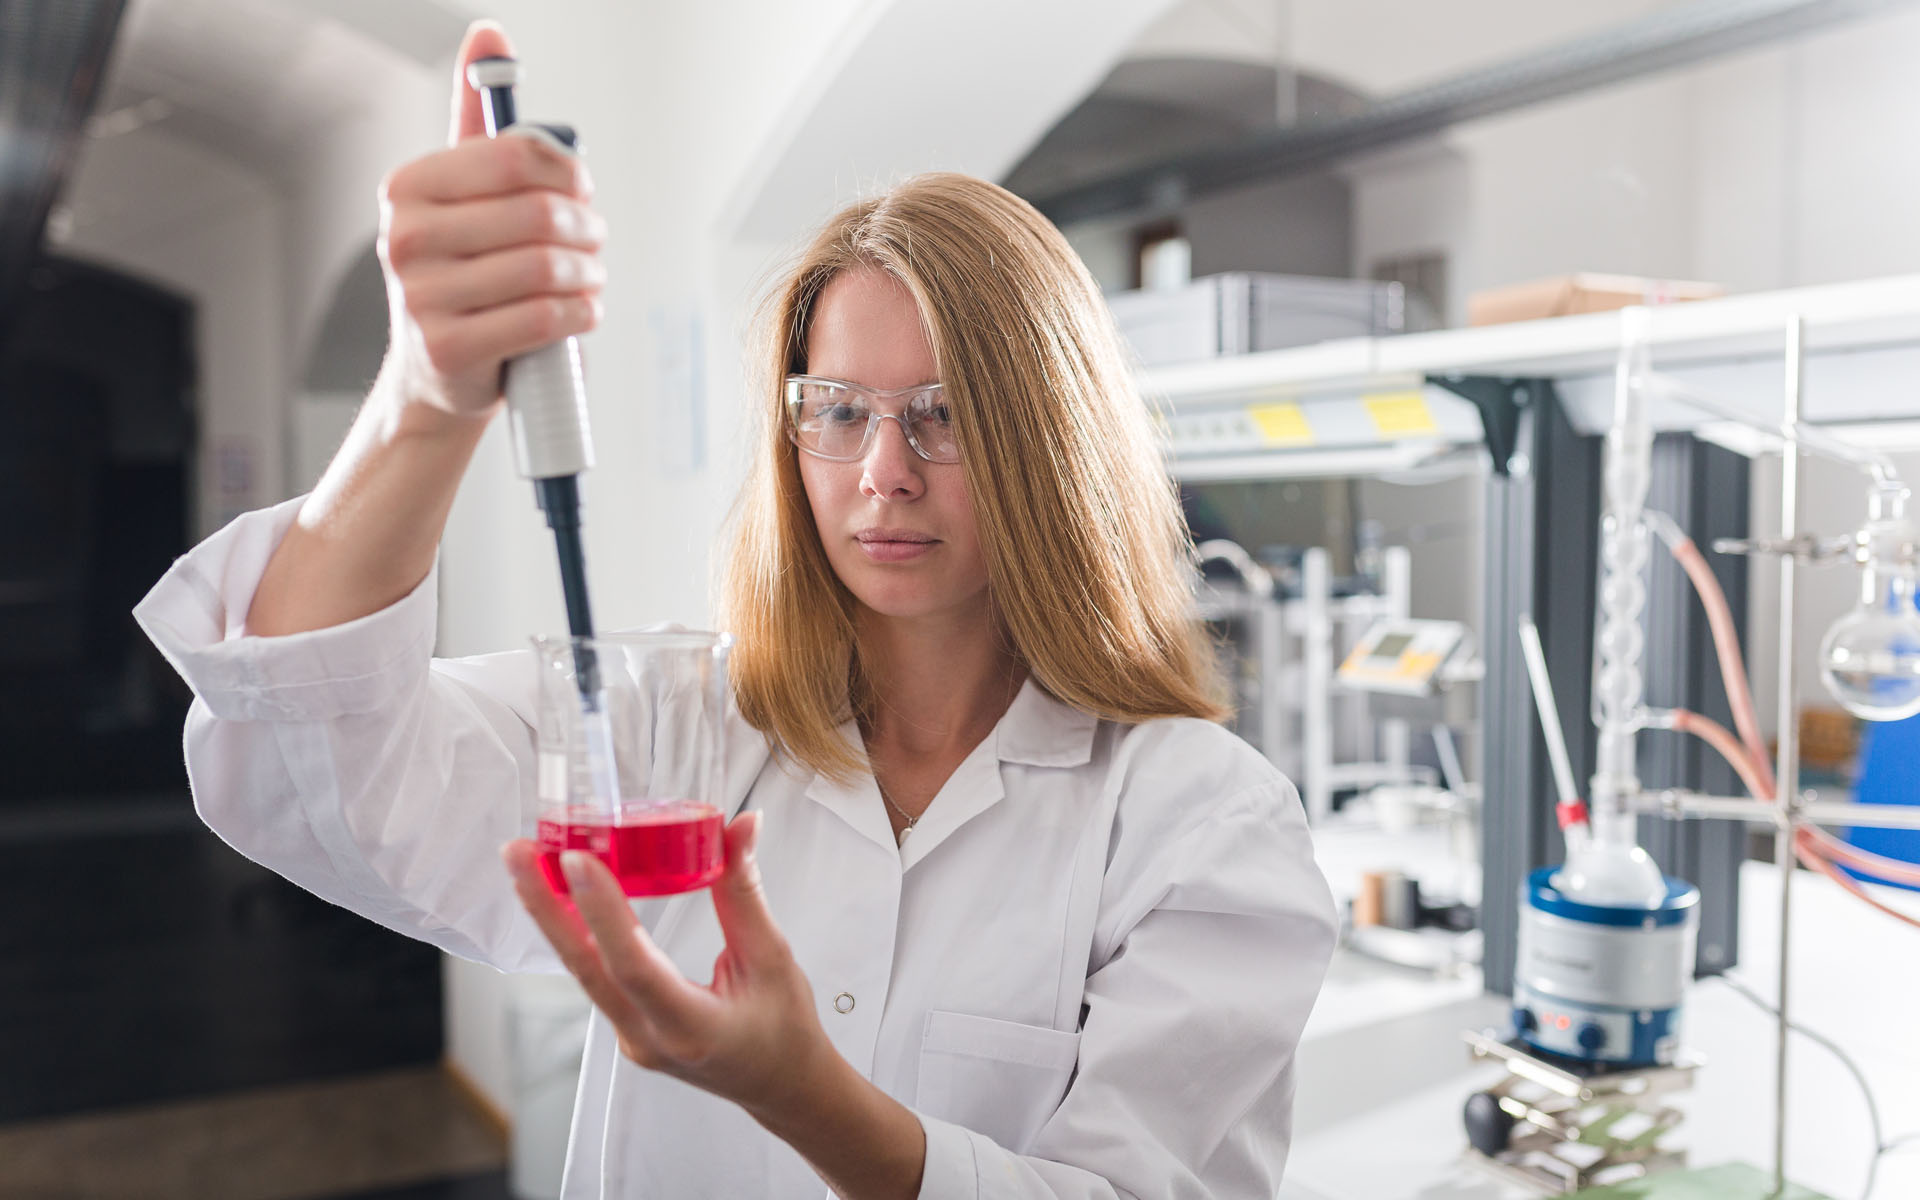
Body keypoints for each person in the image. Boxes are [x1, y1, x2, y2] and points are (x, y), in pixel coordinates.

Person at [134, 20, 1336, 1200]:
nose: (884, 473)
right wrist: (429, 398)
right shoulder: (671, 735)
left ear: (1053, 444)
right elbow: (318, 757)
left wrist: (806, 1096)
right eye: (840, 410)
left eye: (946, 412)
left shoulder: (1197, 825)